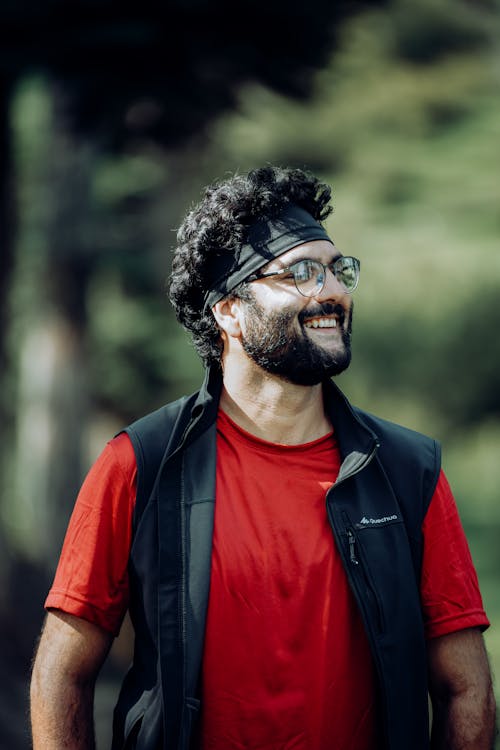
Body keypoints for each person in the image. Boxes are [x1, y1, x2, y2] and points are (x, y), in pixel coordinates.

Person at [30, 165, 496, 750]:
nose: (331, 291)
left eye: (337, 269)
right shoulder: (141, 464)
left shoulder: (407, 470)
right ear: (227, 310)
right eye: (300, 272)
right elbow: (63, 673)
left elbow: (466, 689)